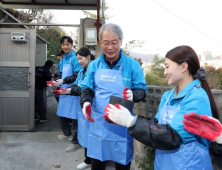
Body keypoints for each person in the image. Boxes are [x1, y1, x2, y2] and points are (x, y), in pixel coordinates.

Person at [104, 45, 220, 170]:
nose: (165, 72)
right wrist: (124, 118)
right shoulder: (167, 96)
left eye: (167, 66)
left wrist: (131, 122)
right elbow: (155, 126)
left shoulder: (197, 98)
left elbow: (173, 137)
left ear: (183, 67)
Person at [80, 23, 147, 170]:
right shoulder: (94, 65)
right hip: (98, 122)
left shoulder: (132, 65)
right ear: (100, 43)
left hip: (122, 125)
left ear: (121, 42)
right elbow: (87, 88)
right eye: (105, 43)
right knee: (97, 163)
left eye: (114, 42)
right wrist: (85, 102)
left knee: (122, 164)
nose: (110, 47)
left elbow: (142, 90)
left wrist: (133, 95)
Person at [53, 47, 95, 170]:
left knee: (93, 135)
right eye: (77, 59)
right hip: (83, 105)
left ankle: (93, 160)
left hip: (93, 106)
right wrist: (65, 90)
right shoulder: (82, 71)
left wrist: (67, 91)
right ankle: (88, 160)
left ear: (88, 57)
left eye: (81, 58)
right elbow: (77, 85)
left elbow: (86, 88)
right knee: (86, 134)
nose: (79, 61)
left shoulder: (94, 70)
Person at [47, 36, 82, 152]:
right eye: (63, 44)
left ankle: (76, 139)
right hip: (63, 90)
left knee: (76, 114)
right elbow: (61, 74)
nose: (65, 47)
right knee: (62, 112)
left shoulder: (75, 58)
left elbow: (76, 75)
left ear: (72, 45)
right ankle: (67, 134)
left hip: (73, 89)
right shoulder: (63, 60)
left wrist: (64, 81)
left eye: (67, 44)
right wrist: (55, 82)